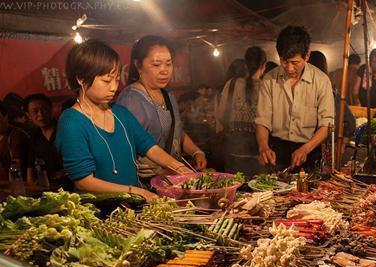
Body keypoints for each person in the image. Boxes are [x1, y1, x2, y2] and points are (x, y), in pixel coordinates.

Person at [55, 39, 192, 202]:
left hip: (132, 206)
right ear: (81, 79)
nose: (113, 87)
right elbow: (84, 181)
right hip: (99, 213)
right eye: (106, 81)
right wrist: (135, 191)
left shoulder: (121, 114)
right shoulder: (72, 122)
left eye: (116, 79)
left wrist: (181, 169)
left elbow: (150, 148)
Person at [117, 36, 207, 175]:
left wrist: (196, 151)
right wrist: (168, 170)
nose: (164, 71)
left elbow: (175, 130)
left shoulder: (168, 94)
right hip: (147, 185)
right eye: (156, 65)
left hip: (174, 177)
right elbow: (127, 148)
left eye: (168, 64)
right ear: (138, 65)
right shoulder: (131, 100)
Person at [255, 26, 335, 171]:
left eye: (295, 62)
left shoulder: (321, 81)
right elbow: (262, 120)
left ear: (307, 56)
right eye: (284, 61)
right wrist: (264, 147)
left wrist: (306, 148)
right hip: (277, 152)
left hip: (310, 151)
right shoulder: (269, 79)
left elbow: (326, 125)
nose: (290, 68)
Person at [216, 46, 267, 176]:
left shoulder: (231, 84)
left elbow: (221, 115)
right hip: (258, 154)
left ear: (246, 64)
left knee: (234, 190)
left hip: (232, 151)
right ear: (263, 66)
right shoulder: (266, 87)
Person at [309, 50, 356, 163]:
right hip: (329, 148)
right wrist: (343, 144)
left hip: (309, 147)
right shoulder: (333, 93)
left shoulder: (307, 91)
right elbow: (351, 122)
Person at [23, 93, 65, 183]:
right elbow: (30, 168)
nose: (41, 114)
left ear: (51, 109)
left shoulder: (66, 130)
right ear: (28, 115)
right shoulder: (34, 137)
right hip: (47, 188)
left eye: (44, 109)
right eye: (35, 111)